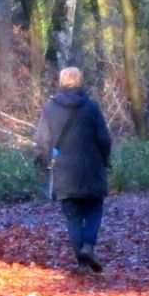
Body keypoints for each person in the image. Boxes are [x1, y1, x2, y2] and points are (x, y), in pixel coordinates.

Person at [37, 65, 113, 272]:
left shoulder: (50, 107)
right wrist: (104, 161)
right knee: (94, 209)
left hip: (64, 173)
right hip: (92, 170)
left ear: (61, 82)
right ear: (80, 82)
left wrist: (50, 157)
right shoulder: (92, 107)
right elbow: (105, 139)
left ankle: (81, 262)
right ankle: (88, 246)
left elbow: (42, 140)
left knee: (73, 216)